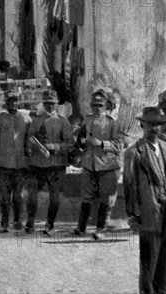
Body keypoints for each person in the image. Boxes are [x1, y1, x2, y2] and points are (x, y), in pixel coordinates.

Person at [123, 106, 166, 294]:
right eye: (151, 125)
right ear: (142, 124)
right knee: (149, 260)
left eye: (158, 125)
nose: (155, 129)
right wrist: (133, 216)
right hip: (149, 211)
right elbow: (129, 186)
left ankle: (163, 291)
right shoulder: (133, 152)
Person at [72, 87, 122, 239]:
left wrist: (101, 143)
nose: (96, 108)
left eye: (100, 105)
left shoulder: (112, 123)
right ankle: (81, 229)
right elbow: (81, 138)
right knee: (86, 197)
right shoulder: (87, 119)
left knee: (103, 198)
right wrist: (80, 142)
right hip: (89, 163)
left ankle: (100, 230)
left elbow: (119, 145)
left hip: (106, 165)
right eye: (94, 105)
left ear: (107, 106)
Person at [26, 89, 74, 236]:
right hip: (38, 163)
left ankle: (50, 224)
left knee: (54, 198)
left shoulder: (62, 121)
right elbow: (30, 138)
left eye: (52, 103)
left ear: (57, 104)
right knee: (32, 194)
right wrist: (35, 147)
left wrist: (56, 147)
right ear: (43, 104)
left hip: (55, 164)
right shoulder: (36, 120)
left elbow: (70, 143)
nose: (50, 106)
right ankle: (30, 222)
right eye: (47, 103)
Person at [0, 90, 31, 233]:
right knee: (4, 196)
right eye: (9, 101)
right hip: (3, 163)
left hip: (20, 164)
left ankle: (17, 220)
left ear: (19, 102)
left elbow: (28, 141)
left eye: (15, 100)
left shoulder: (26, 119)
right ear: (5, 102)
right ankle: (4, 221)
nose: (12, 103)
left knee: (18, 195)